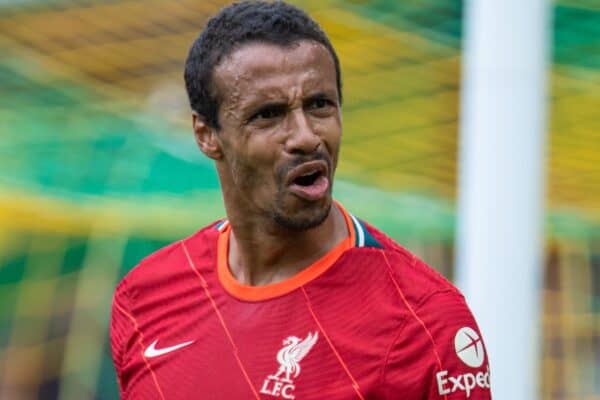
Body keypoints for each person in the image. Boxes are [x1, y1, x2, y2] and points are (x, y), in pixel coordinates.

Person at [110, 1, 492, 399]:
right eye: (269, 114)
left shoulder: (423, 322)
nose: (306, 136)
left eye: (320, 105)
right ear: (207, 135)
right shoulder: (145, 297)